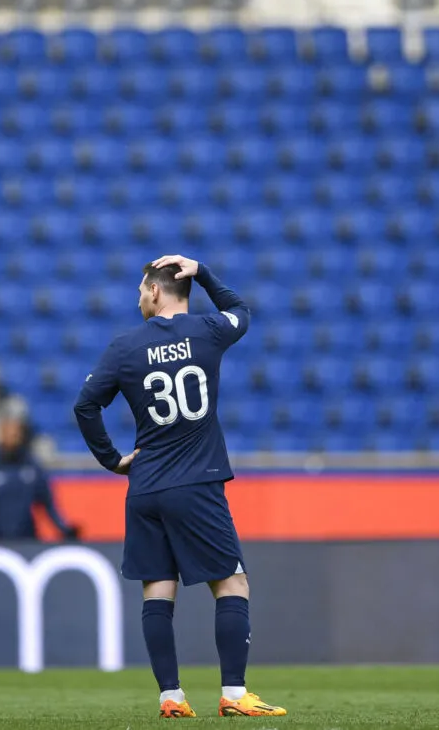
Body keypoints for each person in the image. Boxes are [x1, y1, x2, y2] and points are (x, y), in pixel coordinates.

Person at [73, 254, 285, 720]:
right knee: (232, 582)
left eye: (139, 290)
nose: (137, 298)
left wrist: (111, 461)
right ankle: (233, 693)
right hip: (196, 482)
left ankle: (171, 697)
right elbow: (243, 311)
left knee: (158, 590)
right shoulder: (208, 331)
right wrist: (204, 272)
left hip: (146, 487)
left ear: (154, 291)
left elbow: (85, 407)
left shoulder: (125, 347)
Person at [0, 417, 80, 542]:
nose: (14, 437)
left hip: (27, 537)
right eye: (10, 433)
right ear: (1, 434)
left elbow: (47, 503)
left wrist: (63, 528)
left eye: (17, 433)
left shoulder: (32, 467)